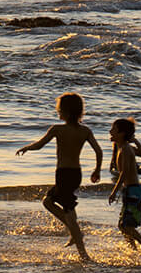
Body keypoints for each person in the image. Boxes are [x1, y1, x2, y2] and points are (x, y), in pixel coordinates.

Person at [16, 92, 102, 262]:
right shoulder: (85, 131)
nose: (58, 112)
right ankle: (74, 230)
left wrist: (27, 147)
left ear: (67, 112)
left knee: (67, 210)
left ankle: (83, 251)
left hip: (63, 174)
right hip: (76, 174)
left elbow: (40, 145)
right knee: (49, 202)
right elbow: (99, 151)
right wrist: (97, 170)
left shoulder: (57, 129)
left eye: (60, 109)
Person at [108, 118, 141, 256]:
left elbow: (124, 173)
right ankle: (133, 250)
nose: (110, 132)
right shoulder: (121, 148)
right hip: (130, 190)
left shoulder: (126, 149)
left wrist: (114, 192)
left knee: (126, 225)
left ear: (122, 134)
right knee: (122, 225)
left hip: (133, 191)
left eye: (114, 129)